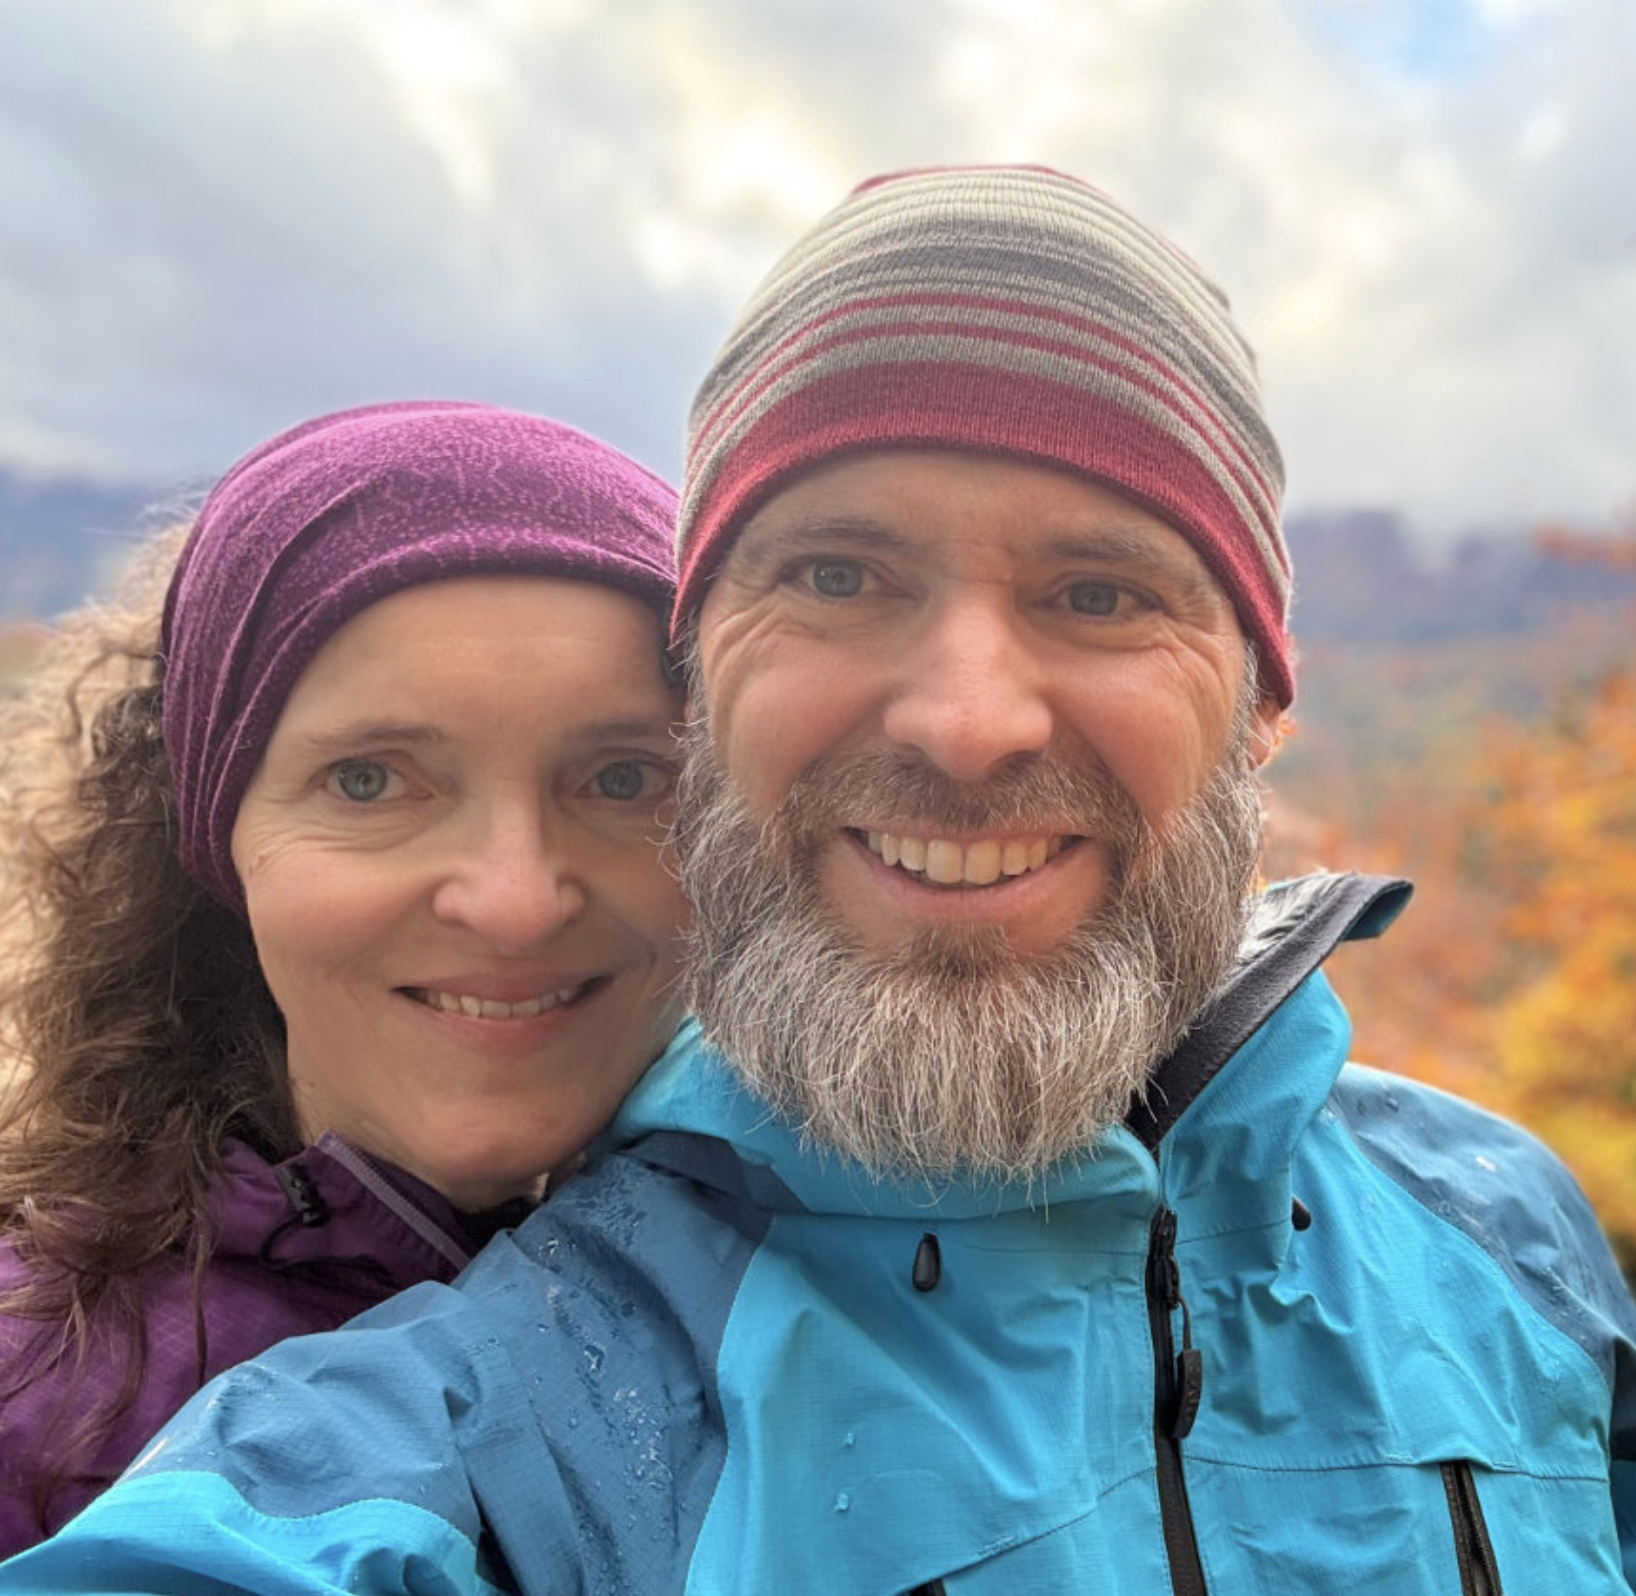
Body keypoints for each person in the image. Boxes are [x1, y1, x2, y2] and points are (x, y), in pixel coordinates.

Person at [3, 167, 1633, 1595]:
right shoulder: (488, 1410)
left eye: (1099, 587)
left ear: (1264, 706)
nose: (970, 720)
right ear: (711, 695)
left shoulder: (1503, 1231)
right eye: (838, 574)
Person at [0, 399, 685, 1553]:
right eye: (371, 781)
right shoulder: (41, 1402)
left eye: (622, 780)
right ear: (215, 834)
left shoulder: (805, 1310)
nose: (514, 900)